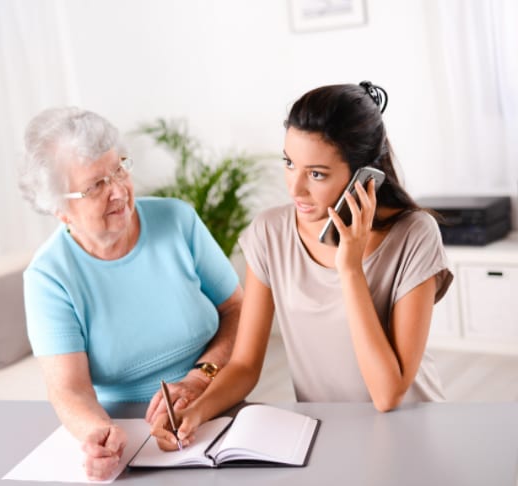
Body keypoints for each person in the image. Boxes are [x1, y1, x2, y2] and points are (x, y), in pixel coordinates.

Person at [151, 81, 454, 450]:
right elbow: (245, 365)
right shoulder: (269, 232)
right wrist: (196, 413)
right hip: (323, 436)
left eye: (317, 174)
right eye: (289, 163)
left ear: (364, 176)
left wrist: (351, 269)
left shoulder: (415, 235)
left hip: (411, 432)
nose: (295, 189)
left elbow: (388, 395)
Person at [17, 107, 243, 479]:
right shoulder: (48, 277)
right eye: (95, 185)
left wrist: (198, 379)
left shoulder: (178, 220)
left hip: (216, 407)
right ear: (60, 209)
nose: (119, 190)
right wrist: (97, 434)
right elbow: (69, 389)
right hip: (131, 439)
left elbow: (237, 309)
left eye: (119, 169)